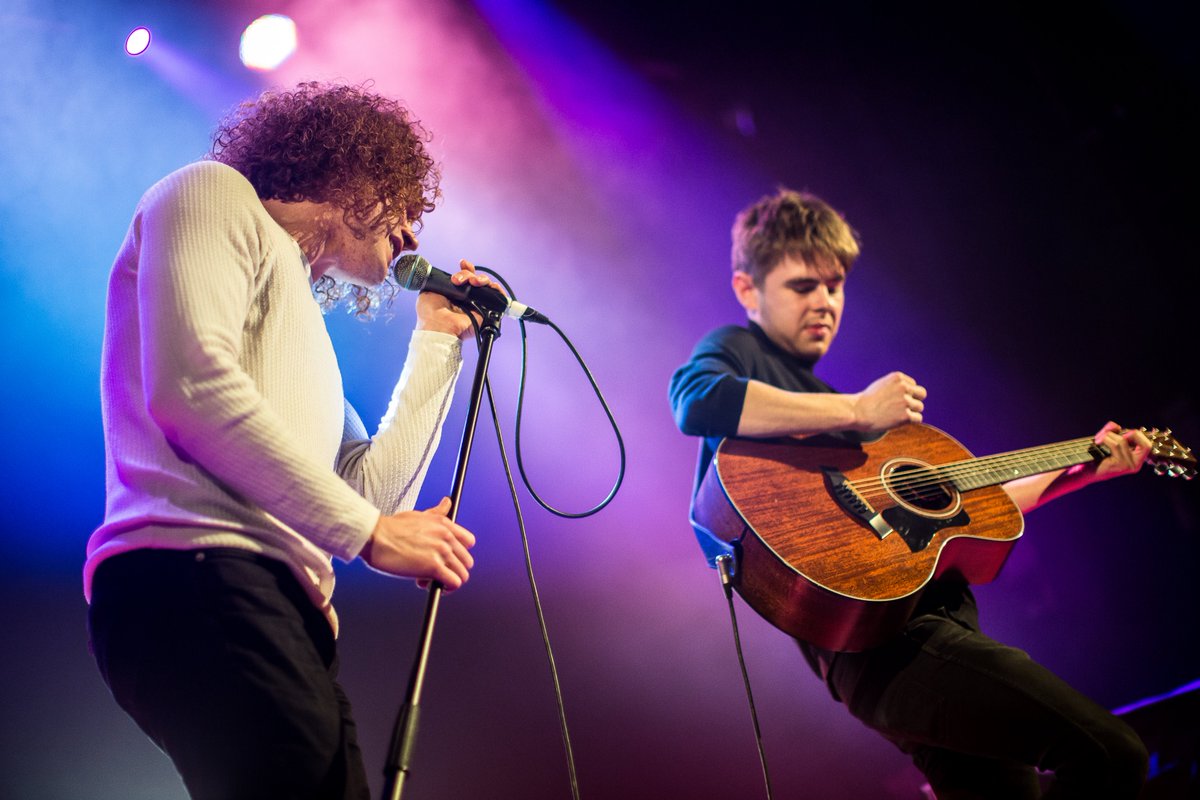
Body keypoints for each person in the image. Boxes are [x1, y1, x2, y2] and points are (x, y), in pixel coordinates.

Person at [668, 187, 1152, 798]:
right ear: (748, 291)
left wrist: (1084, 467)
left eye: (836, 285)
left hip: (926, 637)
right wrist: (859, 407)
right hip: (891, 644)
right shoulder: (741, 350)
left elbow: (971, 505)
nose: (825, 302)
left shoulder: (832, 422)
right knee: (1110, 755)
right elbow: (696, 399)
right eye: (802, 285)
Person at [85, 82, 493, 800]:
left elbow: (366, 492)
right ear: (347, 170)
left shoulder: (299, 318)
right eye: (399, 200)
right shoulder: (212, 195)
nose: (413, 234)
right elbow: (193, 388)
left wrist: (436, 341)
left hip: (272, 605)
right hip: (199, 574)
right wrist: (369, 533)